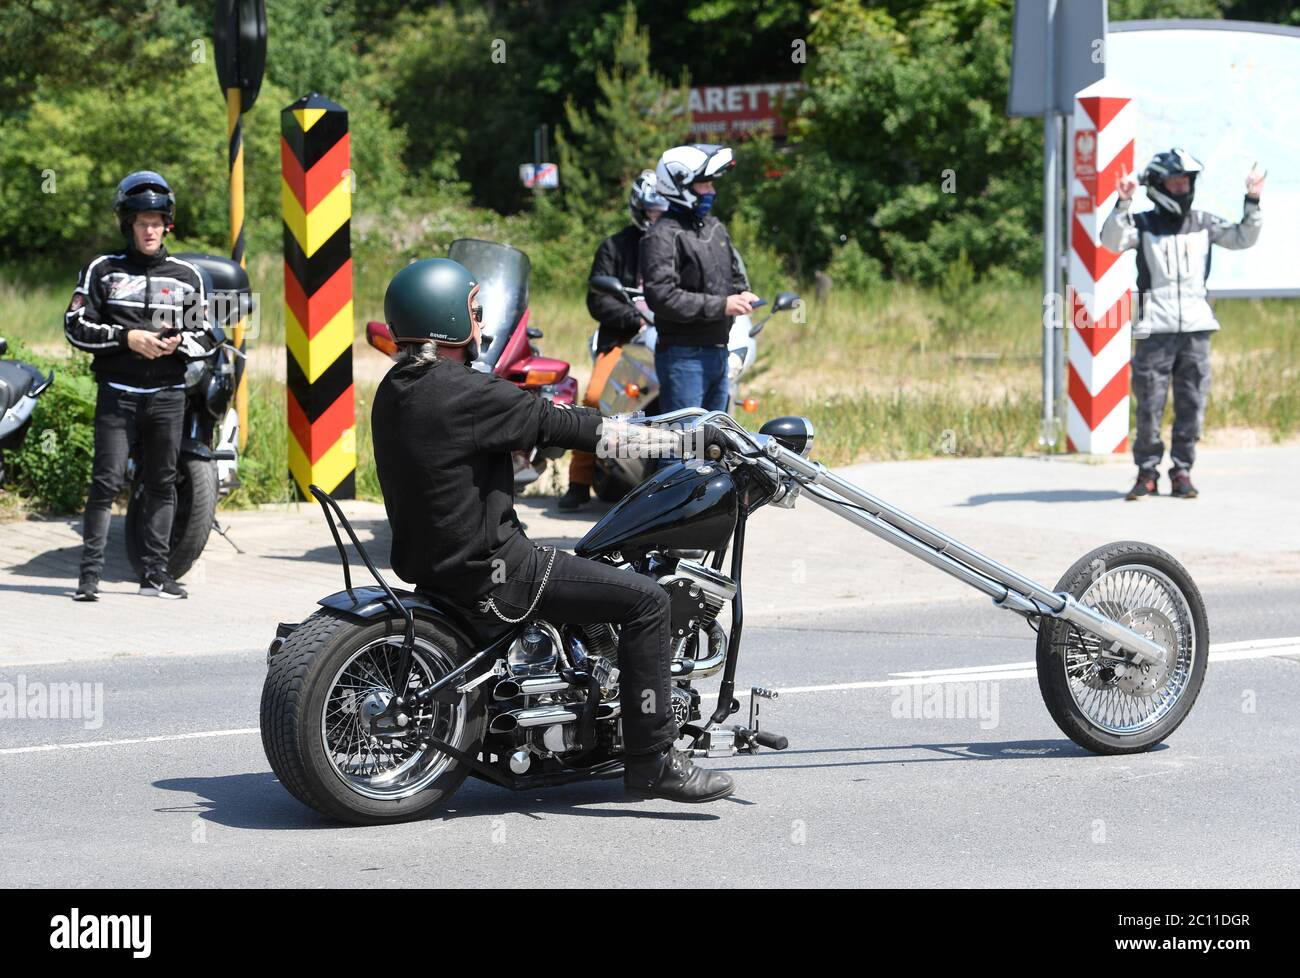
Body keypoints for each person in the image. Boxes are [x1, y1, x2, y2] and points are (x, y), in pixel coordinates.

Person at [369, 257, 735, 803]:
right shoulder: (469, 393)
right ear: (447, 321)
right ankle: (653, 759)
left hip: (433, 567)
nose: (481, 321)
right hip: (497, 572)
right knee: (648, 602)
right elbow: (574, 428)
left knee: (599, 572)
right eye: (472, 310)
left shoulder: (395, 388)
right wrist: (683, 443)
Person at [65, 171, 215, 601]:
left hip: (168, 397)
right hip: (117, 393)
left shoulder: (186, 276)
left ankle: (154, 576)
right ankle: (88, 579)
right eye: (141, 221)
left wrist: (175, 343)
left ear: (167, 223)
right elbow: (74, 326)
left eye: (157, 221)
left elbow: (205, 336)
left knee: (162, 483)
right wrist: (126, 338)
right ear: (127, 224)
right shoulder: (103, 270)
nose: (149, 230)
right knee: (106, 482)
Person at [1102, 149, 1265, 500]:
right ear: (1159, 185)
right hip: (1154, 330)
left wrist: (1252, 199)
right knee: (1150, 403)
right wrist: (1123, 201)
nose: (1181, 187)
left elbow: (1242, 238)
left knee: (1191, 402)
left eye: (1186, 182)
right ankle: (1146, 472)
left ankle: (1182, 471)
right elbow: (1111, 241)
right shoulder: (1143, 224)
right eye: (1175, 181)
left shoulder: (1204, 222)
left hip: (1195, 329)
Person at [559, 170, 667, 511]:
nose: (655, 216)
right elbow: (598, 299)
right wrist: (635, 320)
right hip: (626, 340)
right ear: (637, 207)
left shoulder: (678, 244)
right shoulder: (614, 246)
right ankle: (578, 481)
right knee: (595, 397)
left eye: (661, 210)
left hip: (673, 341)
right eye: (650, 210)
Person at [640, 143, 757, 415]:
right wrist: (722, 306)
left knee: (715, 445)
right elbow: (662, 296)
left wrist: (744, 293)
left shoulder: (714, 227)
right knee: (683, 445)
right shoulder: (662, 234)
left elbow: (734, 275)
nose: (712, 192)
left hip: (720, 350)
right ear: (680, 185)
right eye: (704, 185)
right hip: (684, 357)